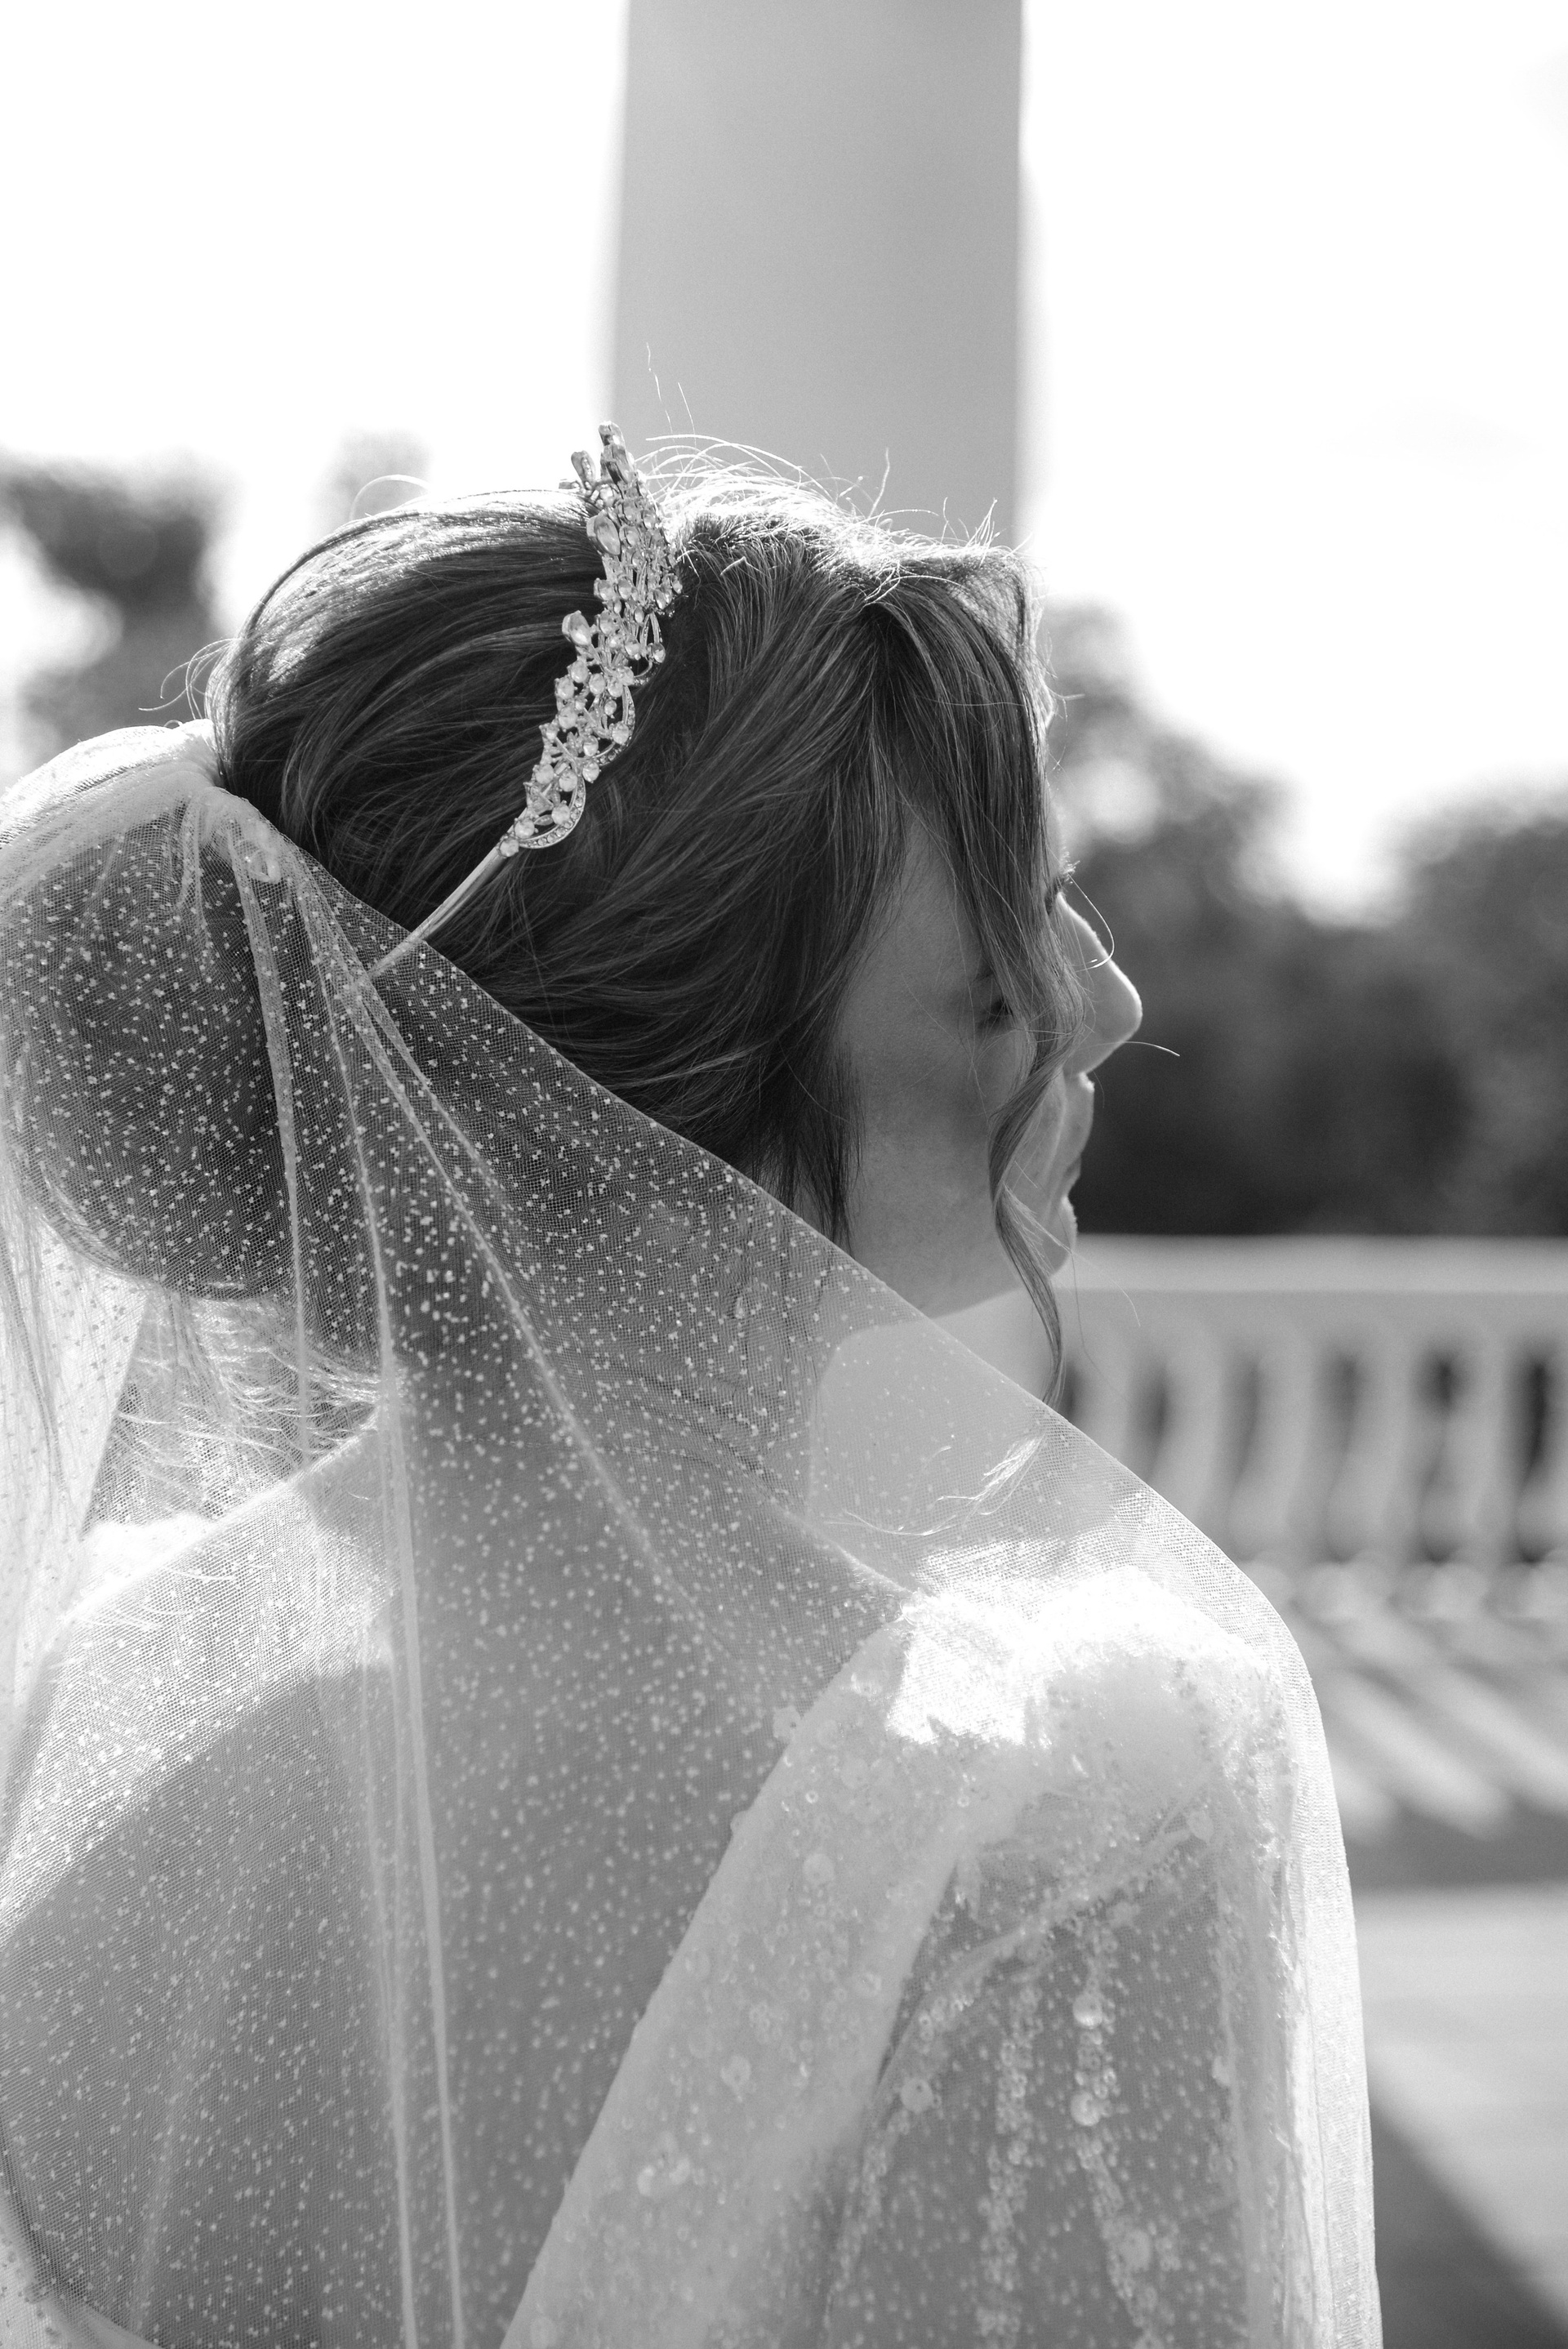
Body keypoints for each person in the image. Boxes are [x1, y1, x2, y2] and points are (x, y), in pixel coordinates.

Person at [0, 435, 1379, 2347]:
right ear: (684, 1077)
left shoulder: (73, 1700)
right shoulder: (1049, 1825)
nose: (1106, 1006)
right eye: (994, 972)